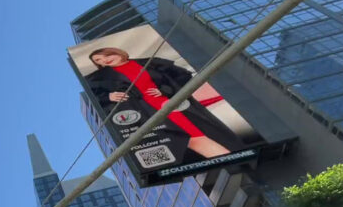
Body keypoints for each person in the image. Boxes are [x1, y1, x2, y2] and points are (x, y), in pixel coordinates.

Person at [85, 47, 245, 164]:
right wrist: (108, 96)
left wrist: (165, 90)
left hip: (170, 104)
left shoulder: (150, 62)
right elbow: (92, 98)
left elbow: (184, 76)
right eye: (98, 61)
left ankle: (236, 161)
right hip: (142, 113)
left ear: (116, 52)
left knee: (199, 134)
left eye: (105, 55)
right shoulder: (98, 78)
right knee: (190, 139)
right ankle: (235, 162)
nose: (104, 60)